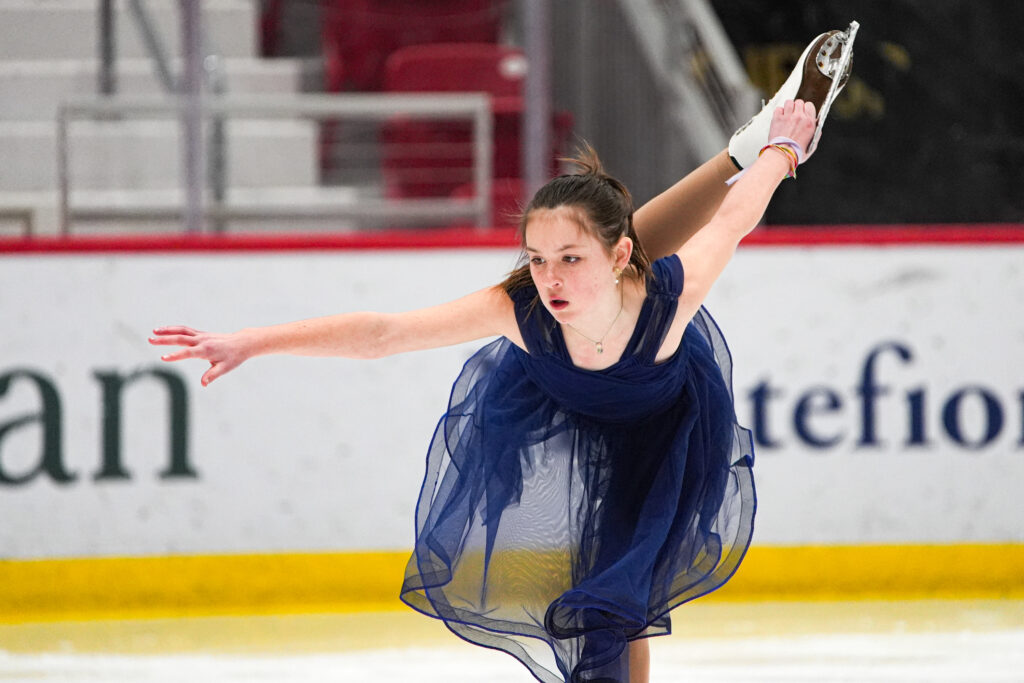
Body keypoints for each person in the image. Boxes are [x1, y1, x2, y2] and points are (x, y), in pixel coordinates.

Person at [150, 25, 855, 683]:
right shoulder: (525, 309)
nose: (548, 278)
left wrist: (785, 150)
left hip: (664, 424)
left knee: (614, 600)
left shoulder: (669, 300)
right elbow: (384, 333)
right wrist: (253, 341)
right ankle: (741, 142)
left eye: (567, 257)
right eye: (537, 257)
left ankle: (752, 141)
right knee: (612, 590)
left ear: (611, 256)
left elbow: (733, 218)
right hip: (555, 390)